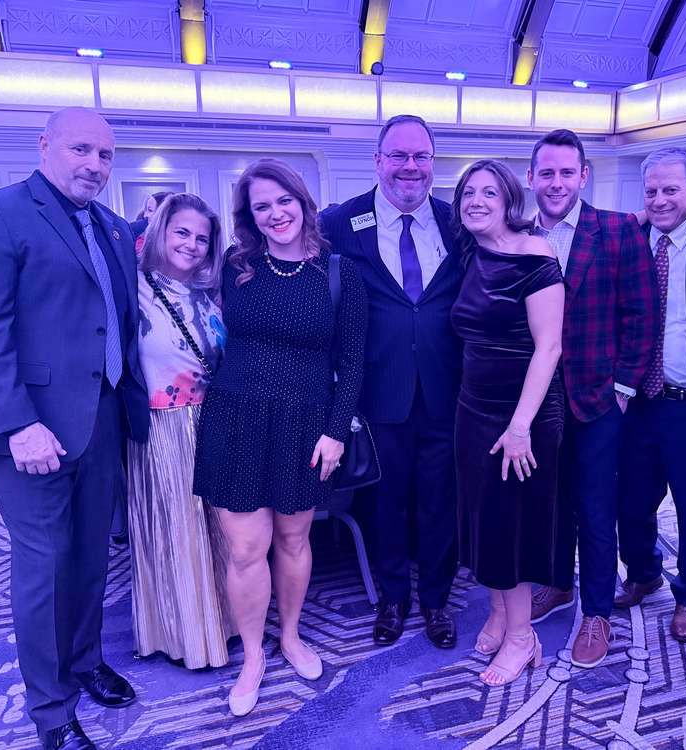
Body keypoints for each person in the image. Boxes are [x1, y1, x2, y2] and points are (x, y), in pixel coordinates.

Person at [0, 107, 149, 750]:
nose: (94, 165)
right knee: (45, 565)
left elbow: (113, 322)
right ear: (45, 146)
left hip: (101, 416)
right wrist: (18, 424)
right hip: (28, 428)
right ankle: (52, 712)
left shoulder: (113, 227)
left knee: (90, 556)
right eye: (81, 149)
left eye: (105, 155)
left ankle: (84, 662)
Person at [193, 158, 367, 716]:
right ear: (250, 216)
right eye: (261, 206)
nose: (275, 214)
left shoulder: (339, 274)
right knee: (247, 549)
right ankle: (252, 656)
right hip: (235, 419)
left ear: (302, 201)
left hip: (304, 426)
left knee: (294, 540)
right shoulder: (236, 266)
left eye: (283, 201)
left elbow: (353, 362)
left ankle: (290, 636)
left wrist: (335, 432)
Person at [320, 115, 463, 649]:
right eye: (399, 156)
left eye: (421, 156)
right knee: (385, 503)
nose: (410, 166)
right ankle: (394, 598)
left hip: (447, 389)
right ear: (378, 161)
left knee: (440, 501)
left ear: (433, 163)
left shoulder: (457, 221)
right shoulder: (340, 222)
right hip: (377, 391)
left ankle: (437, 600)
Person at [525, 129, 658, 670]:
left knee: (596, 508)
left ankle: (597, 612)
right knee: (550, 502)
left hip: (599, 399)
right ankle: (558, 584)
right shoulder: (519, 235)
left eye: (566, 172)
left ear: (583, 175)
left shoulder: (619, 229)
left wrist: (623, 388)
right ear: (531, 178)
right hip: (537, 401)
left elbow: (641, 315)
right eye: (546, 173)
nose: (556, 183)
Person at [451, 160, 564, 685]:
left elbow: (549, 348)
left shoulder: (535, 254)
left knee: (509, 527)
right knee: (483, 520)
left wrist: (520, 426)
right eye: (468, 193)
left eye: (489, 193)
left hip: (522, 415)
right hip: (473, 408)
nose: (476, 201)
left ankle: (523, 637)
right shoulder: (470, 252)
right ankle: (500, 613)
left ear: (509, 201)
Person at [614, 147, 686, 643]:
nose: (659, 200)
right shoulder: (629, 239)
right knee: (631, 500)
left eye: (671, 189)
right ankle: (642, 572)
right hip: (636, 401)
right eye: (651, 190)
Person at [127, 192, 233, 669]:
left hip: (212, 421)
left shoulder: (211, 292)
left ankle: (225, 625)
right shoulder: (134, 287)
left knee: (220, 532)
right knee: (177, 532)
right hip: (163, 425)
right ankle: (185, 636)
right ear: (160, 232)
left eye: (202, 238)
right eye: (182, 233)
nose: (191, 244)